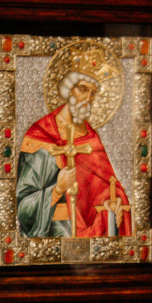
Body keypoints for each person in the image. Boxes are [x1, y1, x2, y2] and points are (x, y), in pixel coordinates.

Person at [17, 48, 132, 238]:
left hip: (91, 236)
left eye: (93, 93)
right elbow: (23, 207)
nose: (88, 99)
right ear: (68, 90)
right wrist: (57, 189)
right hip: (52, 234)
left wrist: (112, 202)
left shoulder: (91, 139)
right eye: (83, 89)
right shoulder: (40, 135)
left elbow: (104, 187)